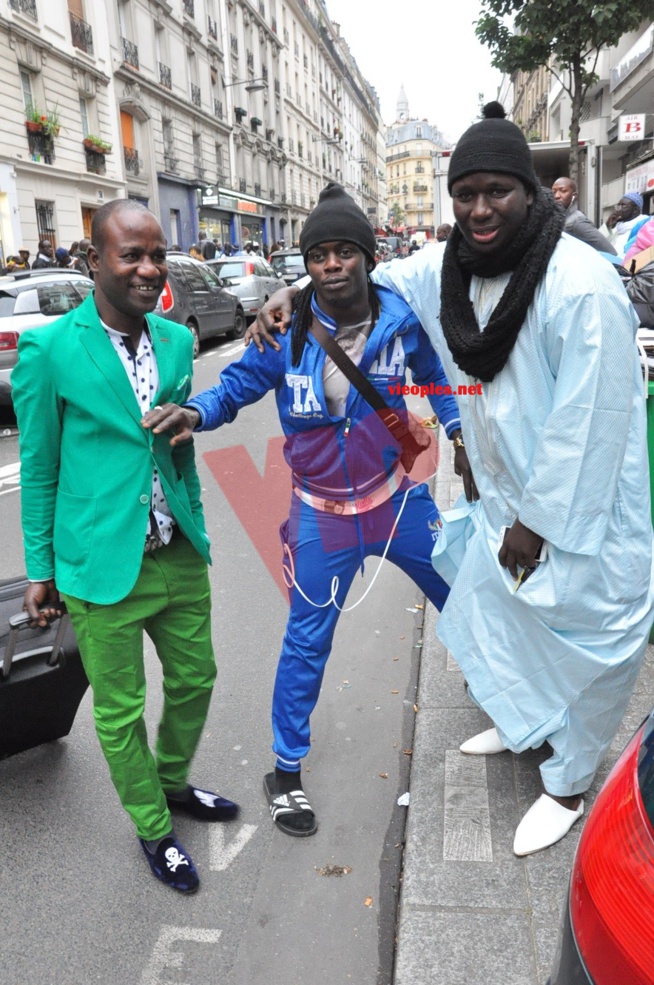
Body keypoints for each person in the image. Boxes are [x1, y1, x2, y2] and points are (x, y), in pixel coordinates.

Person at [251, 121, 654, 857]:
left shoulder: (582, 283)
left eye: (496, 191)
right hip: (502, 495)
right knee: (500, 609)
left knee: (592, 637)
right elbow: (361, 276)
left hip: (578, 512)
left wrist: (538, 521)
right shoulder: (454, 266)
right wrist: (291, 291)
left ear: (530, 192)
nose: (479, 208)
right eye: (464, 194)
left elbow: (591, 421)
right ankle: (524, 721)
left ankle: (568, 781)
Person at [145, 183, 471, 838]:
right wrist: (197, 412)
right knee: (306, 641)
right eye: (318, 254)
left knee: (468, 598)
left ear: (367, 256)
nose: (331, 264)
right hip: (322, 515)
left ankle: (511, 703)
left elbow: (435, 374)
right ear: (308, 264)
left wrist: (460, 432)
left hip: (396, 500)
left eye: (344, 251)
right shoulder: (283, 328)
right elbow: (235, 388)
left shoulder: (400, 316)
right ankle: (285, 770)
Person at [12, 199, 238, 894]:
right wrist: (41, 568)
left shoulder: (175, 340)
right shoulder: (50, 349)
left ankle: (170, 781)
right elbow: (40, 468)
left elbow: (179, 446)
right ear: (94, 261)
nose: (148, 269)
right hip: (98, 565)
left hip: (175, 552)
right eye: (131, 255)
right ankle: (153, 825)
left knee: (197, 680)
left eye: (157, 255)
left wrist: (195, 520)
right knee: (120, 711)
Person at [551, 177, 616, 254]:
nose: (556, 196)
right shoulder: (561, 219)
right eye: (554, 192)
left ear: (574, 196)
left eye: (563, 191)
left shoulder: (577, 222)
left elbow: (610, 252)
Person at [599, 191, 650, 259]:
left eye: (623, 206)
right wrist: (608, 226)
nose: (619, 210)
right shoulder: (618, 226)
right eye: (618, 206)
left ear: (635, 210)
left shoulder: (643, 228)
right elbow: (598, 243)